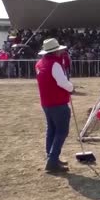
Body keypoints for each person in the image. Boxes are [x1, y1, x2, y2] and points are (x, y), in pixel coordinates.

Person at [35, 38, 74, 173]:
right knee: (61, 132)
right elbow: (62, 83)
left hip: (47, 103)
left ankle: (51, 157)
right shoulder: (55, 64)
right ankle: (52, 161)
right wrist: (71, 88)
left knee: (51, 130)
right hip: (58, 103)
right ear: (55, 51)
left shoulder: (40, 63)